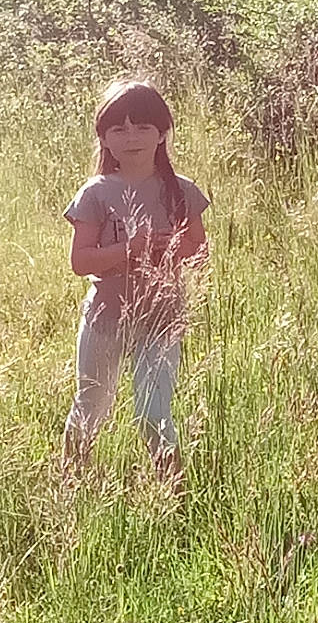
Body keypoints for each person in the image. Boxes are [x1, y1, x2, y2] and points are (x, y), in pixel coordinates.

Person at [61, 79, 211, 494]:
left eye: (143, 127)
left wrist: (168, 249)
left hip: (162, 318)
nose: (131, 138)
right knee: (92, 405)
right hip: (106, 317)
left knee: (153, 412)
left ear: (162, 134)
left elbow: (199, 250)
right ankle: (70, 484)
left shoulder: (181, 190)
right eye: (119, 129)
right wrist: (132, 249)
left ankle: (172, 495)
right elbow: (80, 261)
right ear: (104, 138)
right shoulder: (95, 193)